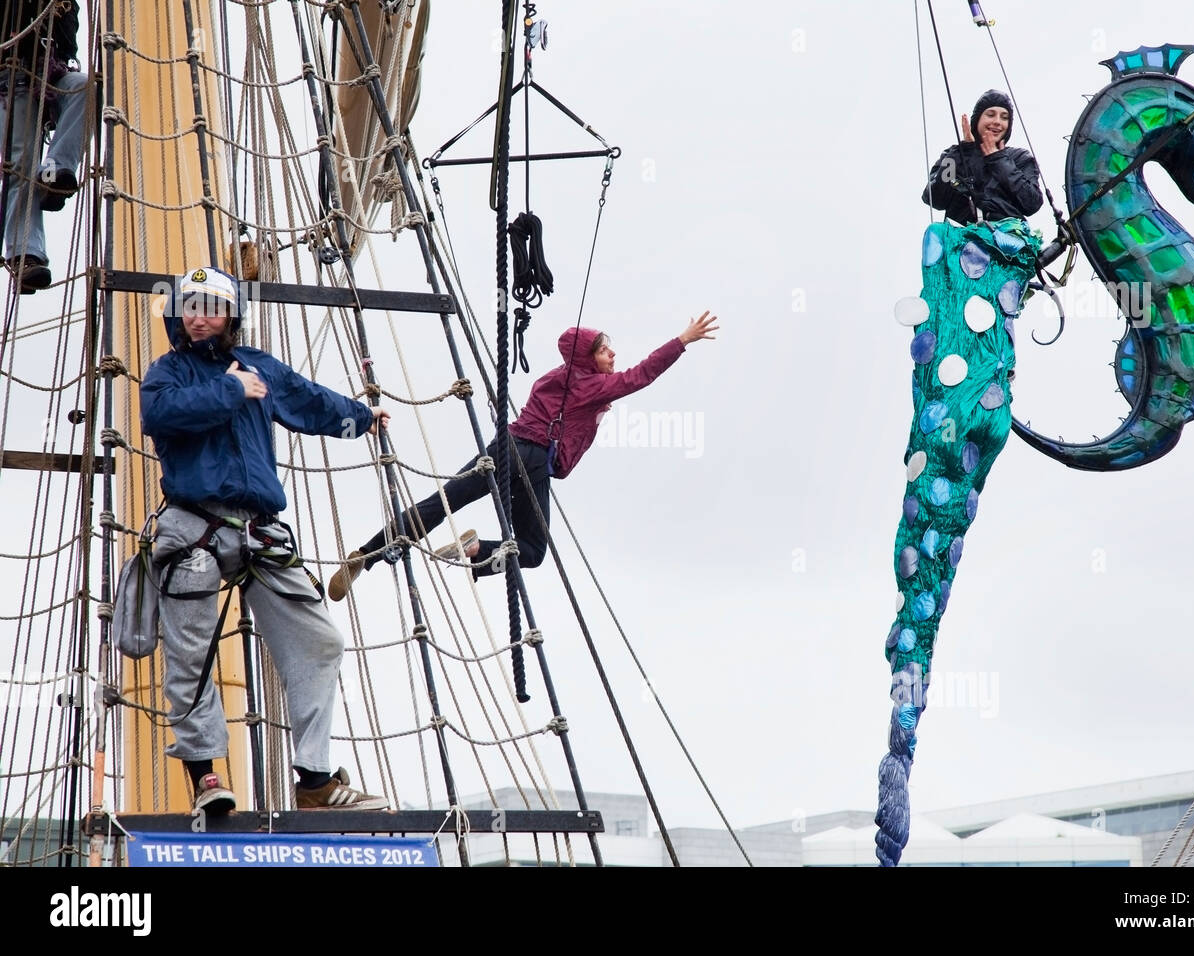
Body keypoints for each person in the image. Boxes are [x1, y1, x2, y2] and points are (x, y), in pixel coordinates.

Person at [140, 266, 393, 814]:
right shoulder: (167, 374)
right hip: (192, 526)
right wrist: (231, 389)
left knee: (319, 641)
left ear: (231, 315)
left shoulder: (261, 367)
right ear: (177, 314)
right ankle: (206, 776)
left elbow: (309, 401)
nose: (201, 315)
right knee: (191, 654)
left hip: (258, 527)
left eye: (213, 306)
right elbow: (161, 417)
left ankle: (316, 782)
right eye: (191, 306)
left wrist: (361, 418)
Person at [328, 310, 720, 601]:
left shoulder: (555, 379)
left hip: (506, 448)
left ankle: (368, 553)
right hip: (531, 462)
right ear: (587, 356)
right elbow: (642, 374)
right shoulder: (589, 385)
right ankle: (476, 550)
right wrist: (682, 340)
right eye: (604, 350)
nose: (613, 355)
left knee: (442, 503)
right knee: (531, 552)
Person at [1, 0, 90, 293]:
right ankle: (24, 253)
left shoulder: (64, 3)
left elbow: (66, 47)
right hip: (9, 81)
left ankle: (55, 171)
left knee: (83, 86)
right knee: (21, 165)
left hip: (48, 75)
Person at [922, 89, 1043, 224]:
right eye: (990, 115)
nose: (997, 121)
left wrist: (999, 160)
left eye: (1004, 117)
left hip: (1007, 240)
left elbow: (1032, 203)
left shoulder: (1020, 158)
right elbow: (934, 199)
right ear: (977, 119)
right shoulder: (953, 156)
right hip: (962, 240)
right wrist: (962, 151)